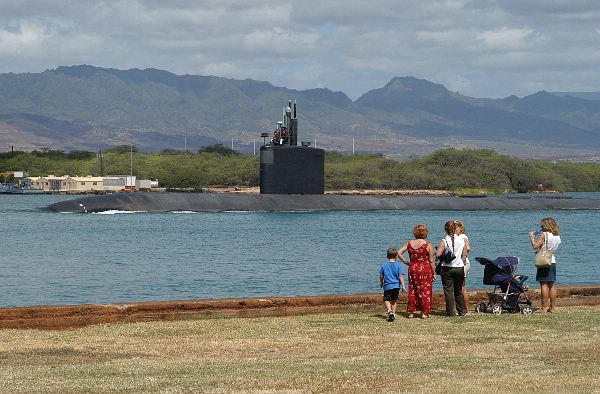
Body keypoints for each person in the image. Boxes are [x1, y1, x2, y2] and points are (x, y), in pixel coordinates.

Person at [397, 224, 436, 319]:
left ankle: (411, 313)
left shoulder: (409, 243)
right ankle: (424, 312)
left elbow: (398, 253)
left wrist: (406, 262)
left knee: (413, 289)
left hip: (413, 267)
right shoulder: (428, 245)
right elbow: (431, 261)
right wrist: (434, 272)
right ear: (425, 233)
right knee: (425, 290)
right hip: (425, 269)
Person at [436, 221, 469, 317]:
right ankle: (461, 311)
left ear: (445, 230)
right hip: (459, 268)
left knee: (448, 291)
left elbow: (438, 255)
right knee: (458, 291)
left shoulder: (444, 241)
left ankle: (450, 312)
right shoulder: (462, 239)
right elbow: (465, 253)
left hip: (447, 268)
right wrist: (461, 261)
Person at [529, 217, 561, 313]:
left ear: (546, 226)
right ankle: (552, 307)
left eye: (542, 225)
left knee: (543, 284)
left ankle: (543, 308)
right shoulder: (557, 236)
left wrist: (532, 238)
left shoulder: (545, 235)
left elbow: (535, 246)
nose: (541, 226)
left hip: (544, 261)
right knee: (551, 284)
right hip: (552, 260)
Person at [379, 247, 407, 322]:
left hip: (387, 285)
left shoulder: (384, 265)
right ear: (396, 256)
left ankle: (389, 310)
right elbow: (401, 276)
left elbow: (381, 276)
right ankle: (393, 314)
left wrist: (381, 283)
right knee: (394, 300)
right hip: (396, 286)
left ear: (387, 256)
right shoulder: (398, 265)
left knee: (387, 299)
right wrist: (403, 286)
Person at [454, 221, 471, 313]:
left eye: (456, 227)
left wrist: (461, 255)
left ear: (460, 228)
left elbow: (468, 248)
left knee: (460, 287)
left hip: (462, 264)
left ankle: (464, 309)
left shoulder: (462, 236)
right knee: (461, 287)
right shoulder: (459, 236)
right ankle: (463, 308)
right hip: (463, 263)